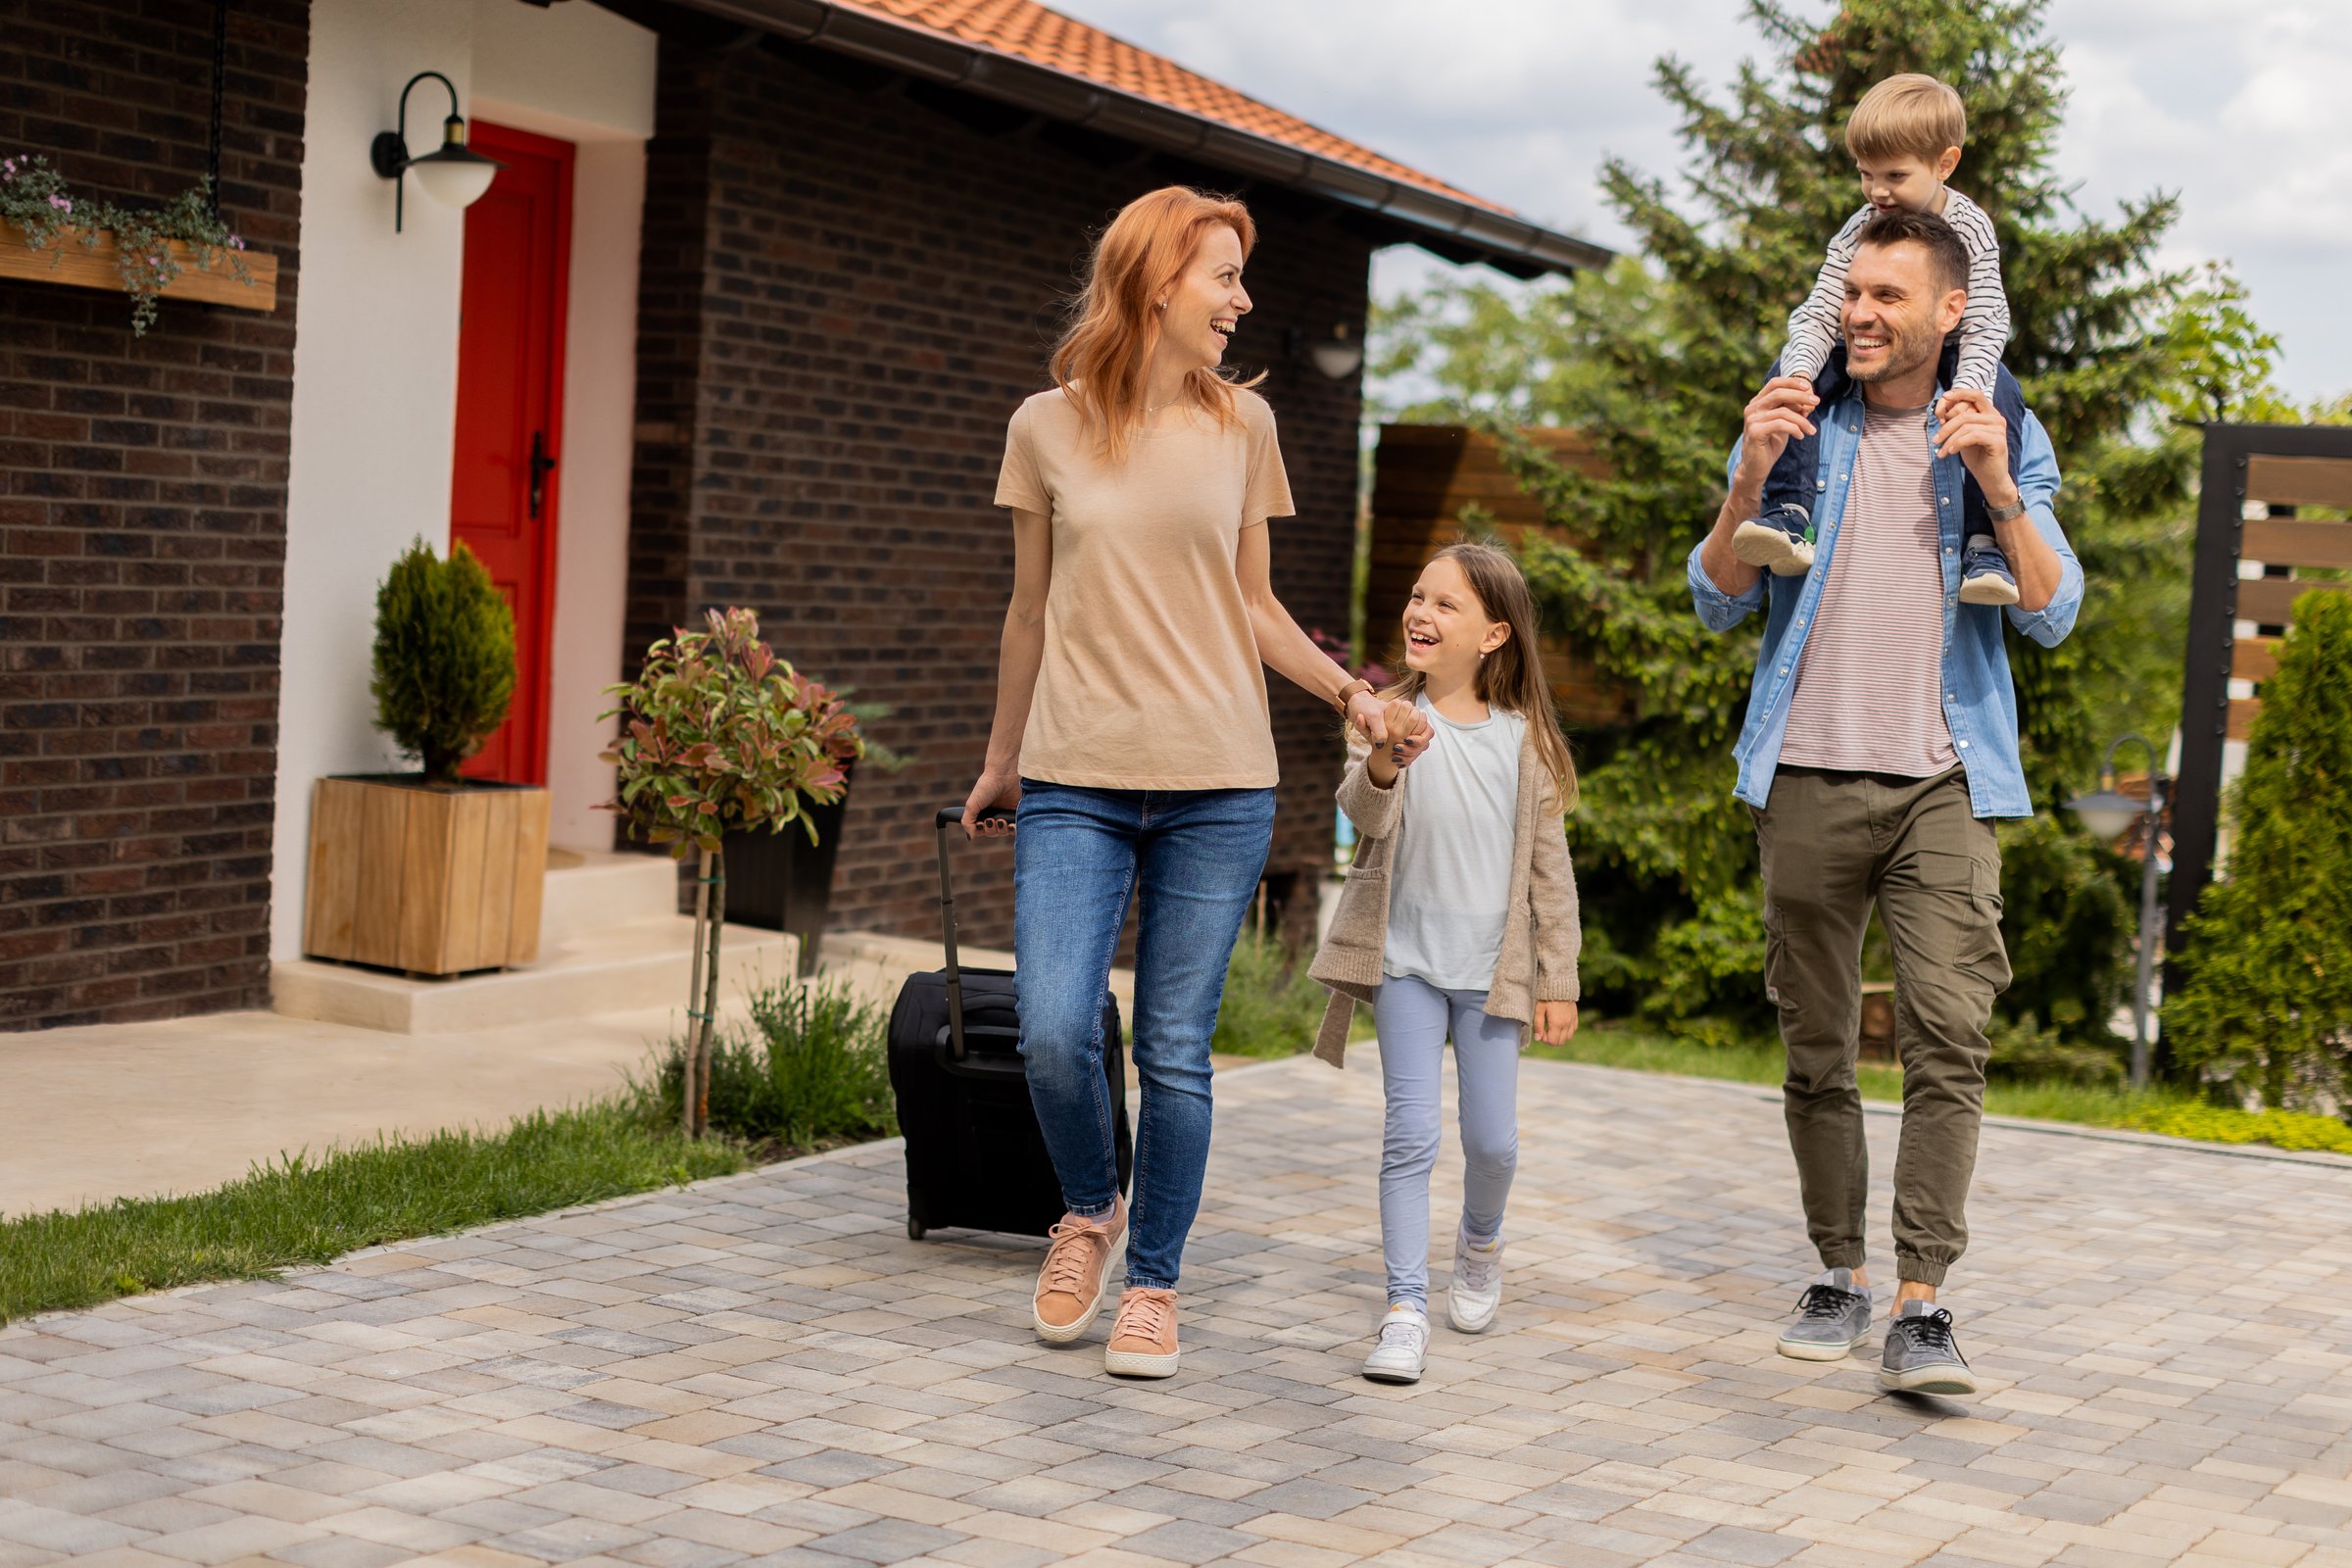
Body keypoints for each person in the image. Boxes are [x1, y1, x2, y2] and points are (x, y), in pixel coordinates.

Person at [963, 186, 1433, 1381]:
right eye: (1224, 276)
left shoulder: (1244, 429)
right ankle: (1089, 1210)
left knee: (1174, 1045)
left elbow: (1254, 602)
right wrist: (1001, 757)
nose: (1243, 299)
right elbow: (1025, 608)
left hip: (1219, 782)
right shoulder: (1044, 426)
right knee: (1055, 1028)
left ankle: (1155, 1278)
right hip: (1073, 772)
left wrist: (1352, 695)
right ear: (1159, 282)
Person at [1690, 206, 2082, 1396]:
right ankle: (1836, 1270)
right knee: (1816, 1044)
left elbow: (2053, 610)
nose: (1859, 314)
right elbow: (1717, 596)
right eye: (1850, 292)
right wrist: (1748, 476)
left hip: (1944, 783)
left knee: (1948, 1035)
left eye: (1888, 297)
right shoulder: (1798, 424)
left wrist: (1998, 491)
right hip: (1805, 768)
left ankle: (1922, 1298)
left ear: (1951, 312)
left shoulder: (2001, 429)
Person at [1307, 542, 1582, 1386]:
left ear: (1494, 634)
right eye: (1417, 595)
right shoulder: (1385, 716)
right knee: (1410, 1137)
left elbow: (1549, 870)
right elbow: (1361, 815)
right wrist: (1389, 755)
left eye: (1446, 604)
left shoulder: (1522, 740)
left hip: (1491, 972)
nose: (1420, 613)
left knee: (1493, 1143)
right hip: (1407, 966)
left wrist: (1557, 978)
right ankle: (1403, 1308)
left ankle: (1481, 1243)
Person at [1735, 73, 2029, 610]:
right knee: (1791, 373)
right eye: (1866, 175)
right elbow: (1823, 308)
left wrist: (1967, 392)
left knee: (2000, 399)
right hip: (1870, 353)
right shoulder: (1861, 226)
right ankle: (1789, 512)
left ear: (1945, 164)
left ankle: (1985, 545)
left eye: (1895, 175)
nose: (1878, 191)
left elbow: (1986, 321)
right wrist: (1800, 373)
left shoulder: (1972, 229)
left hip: (1956, 353)